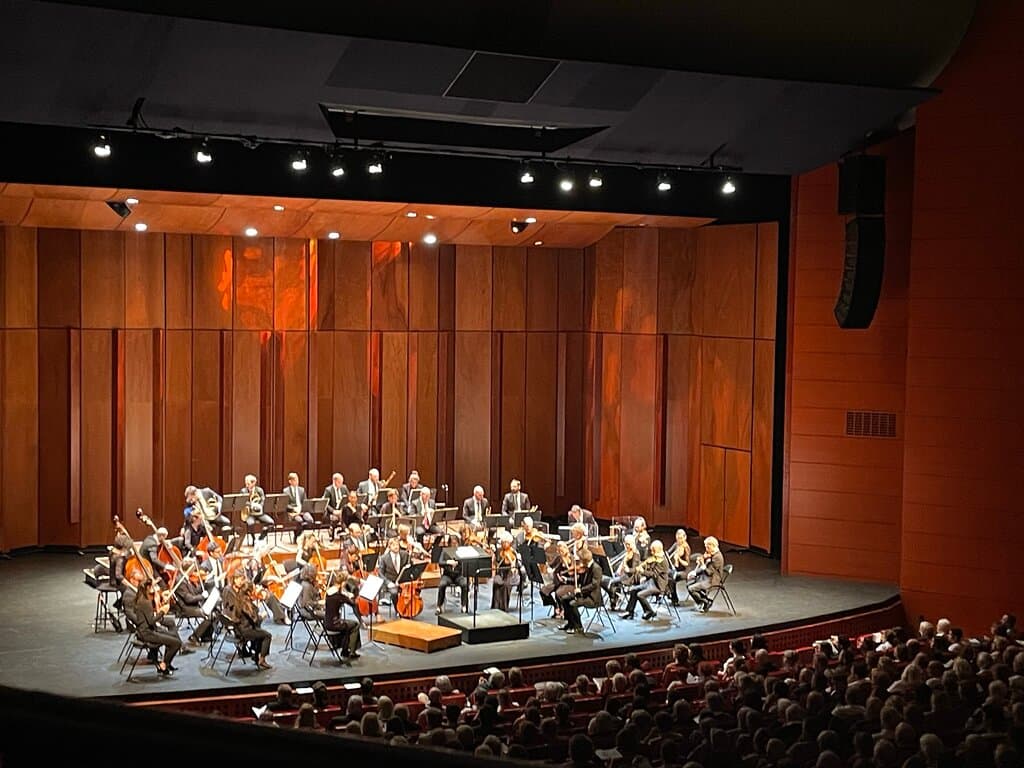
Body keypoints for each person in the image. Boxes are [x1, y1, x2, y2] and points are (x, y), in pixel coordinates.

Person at [222, 569, 273, 669]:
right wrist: (261, 616)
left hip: (240, 627)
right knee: (267, 635)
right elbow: (255, 619)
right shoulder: (244, 602)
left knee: (260, 631)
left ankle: (256, 656)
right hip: (243, 630)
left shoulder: (240, 598)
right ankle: (261, 659)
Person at [134, 578, 181, 676]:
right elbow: (151, 621)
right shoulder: (145, 602)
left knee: (174, 636)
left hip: (148, 630)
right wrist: (162, 612)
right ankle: (164, 664)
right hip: (147, 633)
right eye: (152, 587)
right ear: (147, 588)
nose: (154, 589)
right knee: (176, 643)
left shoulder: (141, 599)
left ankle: (167, 663)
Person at [620, 539, 669, 621]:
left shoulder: (662, 561)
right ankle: (629, 612)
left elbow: (653, 574)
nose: (652, 552)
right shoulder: (655, 558)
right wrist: (640, 568)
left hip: (658, 586)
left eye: (653, 550)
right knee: (633, 590)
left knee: (640, 595)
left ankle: (650, 611)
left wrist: (643, 572)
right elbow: (648, 569)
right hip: (651, 582)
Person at [171, 556, 214, 644]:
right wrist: (202, 596)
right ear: (190, 569)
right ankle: (194, 637)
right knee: (209, 616)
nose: (194, 571)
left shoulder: (186, 578)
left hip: (191, 605)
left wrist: (203, 584)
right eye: (193, 569)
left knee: (214, 612)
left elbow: (193, 592)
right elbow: (189, 599)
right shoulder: (181, 581)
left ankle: (205, 636)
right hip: (185, 609)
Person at [559, 549, 603, 633]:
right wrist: (567, 580)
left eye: (580, 559)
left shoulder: (596, 568)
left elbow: (594, 585)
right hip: (584, 595)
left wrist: (580, 590)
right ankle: (570, 623)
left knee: (572, 604)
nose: (579, 561)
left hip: (592, 598)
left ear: (584, 560)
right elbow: (578, 579)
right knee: (564, 599)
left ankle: (578, 626)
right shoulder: (585, 567)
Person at [324, 572, 362, 659]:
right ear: (343, 583)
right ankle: (351, 651)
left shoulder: (329, 592)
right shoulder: (339, 596)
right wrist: (351, 596)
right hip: (335, 624)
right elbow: (352, 604)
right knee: (355, 624)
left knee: (348, 624)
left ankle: (345, 649)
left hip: (326, 622)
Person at [687, 536, 725, 612]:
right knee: (688, 584)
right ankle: (702, 602)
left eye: (707, 547)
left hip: (712, 580)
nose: (706, 550)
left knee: (691, 588)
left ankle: (706, 601)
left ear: (712, 546)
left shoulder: (717, 557)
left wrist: (702, 563)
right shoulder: (711, 554)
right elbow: (705, 568)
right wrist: (694, 572)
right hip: (705, 577)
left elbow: (709, 572)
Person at [604, 534, 640, 609]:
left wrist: (627, 569)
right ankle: (614, 598)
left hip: (630, 578)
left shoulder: (635, 554)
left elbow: (634, 569)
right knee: (609, 580)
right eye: (625, 544)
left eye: (628, 544)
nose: (626, 546)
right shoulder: (628, 553)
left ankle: (614, 601)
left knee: (613, 582)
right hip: (624, 575)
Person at [436, 536, 469, 615]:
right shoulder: (445, 551)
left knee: (464, 584)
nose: (454, 545)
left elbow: (466, 562)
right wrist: (448, 562)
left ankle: (464, 605)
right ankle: (439, 606)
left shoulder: (461, 551)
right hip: (448, 575)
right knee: (442, 585)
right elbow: (440, 562)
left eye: (456, 543)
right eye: (452, 543)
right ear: (449, 543)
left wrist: (459, 562)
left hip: (459, 575)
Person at [491, 532, 524, 612]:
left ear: (510, 543)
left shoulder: (513, 552)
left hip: (511, 574)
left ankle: (504, 608)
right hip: (500, 573)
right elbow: (494, 563)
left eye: (506, 542)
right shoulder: (498, 551)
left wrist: (509, 558)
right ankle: (496, 606)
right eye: (503, 542)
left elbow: (514, 568)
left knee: (506, 585)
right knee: (496, 582)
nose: (505, 544)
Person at [241, 474, 273, 541]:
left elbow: (262, 500)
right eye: (246, 483)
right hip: (249, 514)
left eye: (248, 483)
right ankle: (254, 539)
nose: (247, 485)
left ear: (254, 483)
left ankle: (261, 537)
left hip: (259, 513)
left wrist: (259, 506)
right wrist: (252, 505)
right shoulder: (243, 491)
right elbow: (244, 502)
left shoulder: (259, 490)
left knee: (271, 522)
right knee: (250, 524)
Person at [378, 537, 409, 604]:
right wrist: (388, 583)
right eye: (393, 545)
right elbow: (380, 573)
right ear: (389, 546)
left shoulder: (405, 554)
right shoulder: (384, 558)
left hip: (403, 581)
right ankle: (398, 609)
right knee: (394, 593)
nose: (396, 547)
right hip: (391, 583)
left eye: (397, 545)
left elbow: (409, 566)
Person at [667, 528, 691, 605]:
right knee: (665, 574)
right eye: (677, 538)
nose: (679, 540)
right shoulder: (676, 544)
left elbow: (687, 563)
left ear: (685, 537)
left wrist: (679, 559)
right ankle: (669, 593)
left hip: (684, 570)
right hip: (676, 568)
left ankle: (674, 599)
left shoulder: (686, 547)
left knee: (672, 579)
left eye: (681, 538)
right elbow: (668, 552)